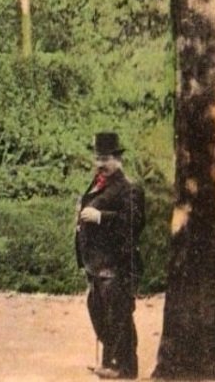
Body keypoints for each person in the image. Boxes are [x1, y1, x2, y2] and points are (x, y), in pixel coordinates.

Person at [75, 132, 145, 380]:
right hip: (96, 264)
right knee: (99, 312)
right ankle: (110, 361)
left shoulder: (129, 188)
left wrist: (100, 217)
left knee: (119, 315)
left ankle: (125, 367)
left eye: (104, 158)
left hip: (116, 264)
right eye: (97, 158)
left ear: (117, 158)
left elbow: (133, 223)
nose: (100, 164)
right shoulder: (98, 183)